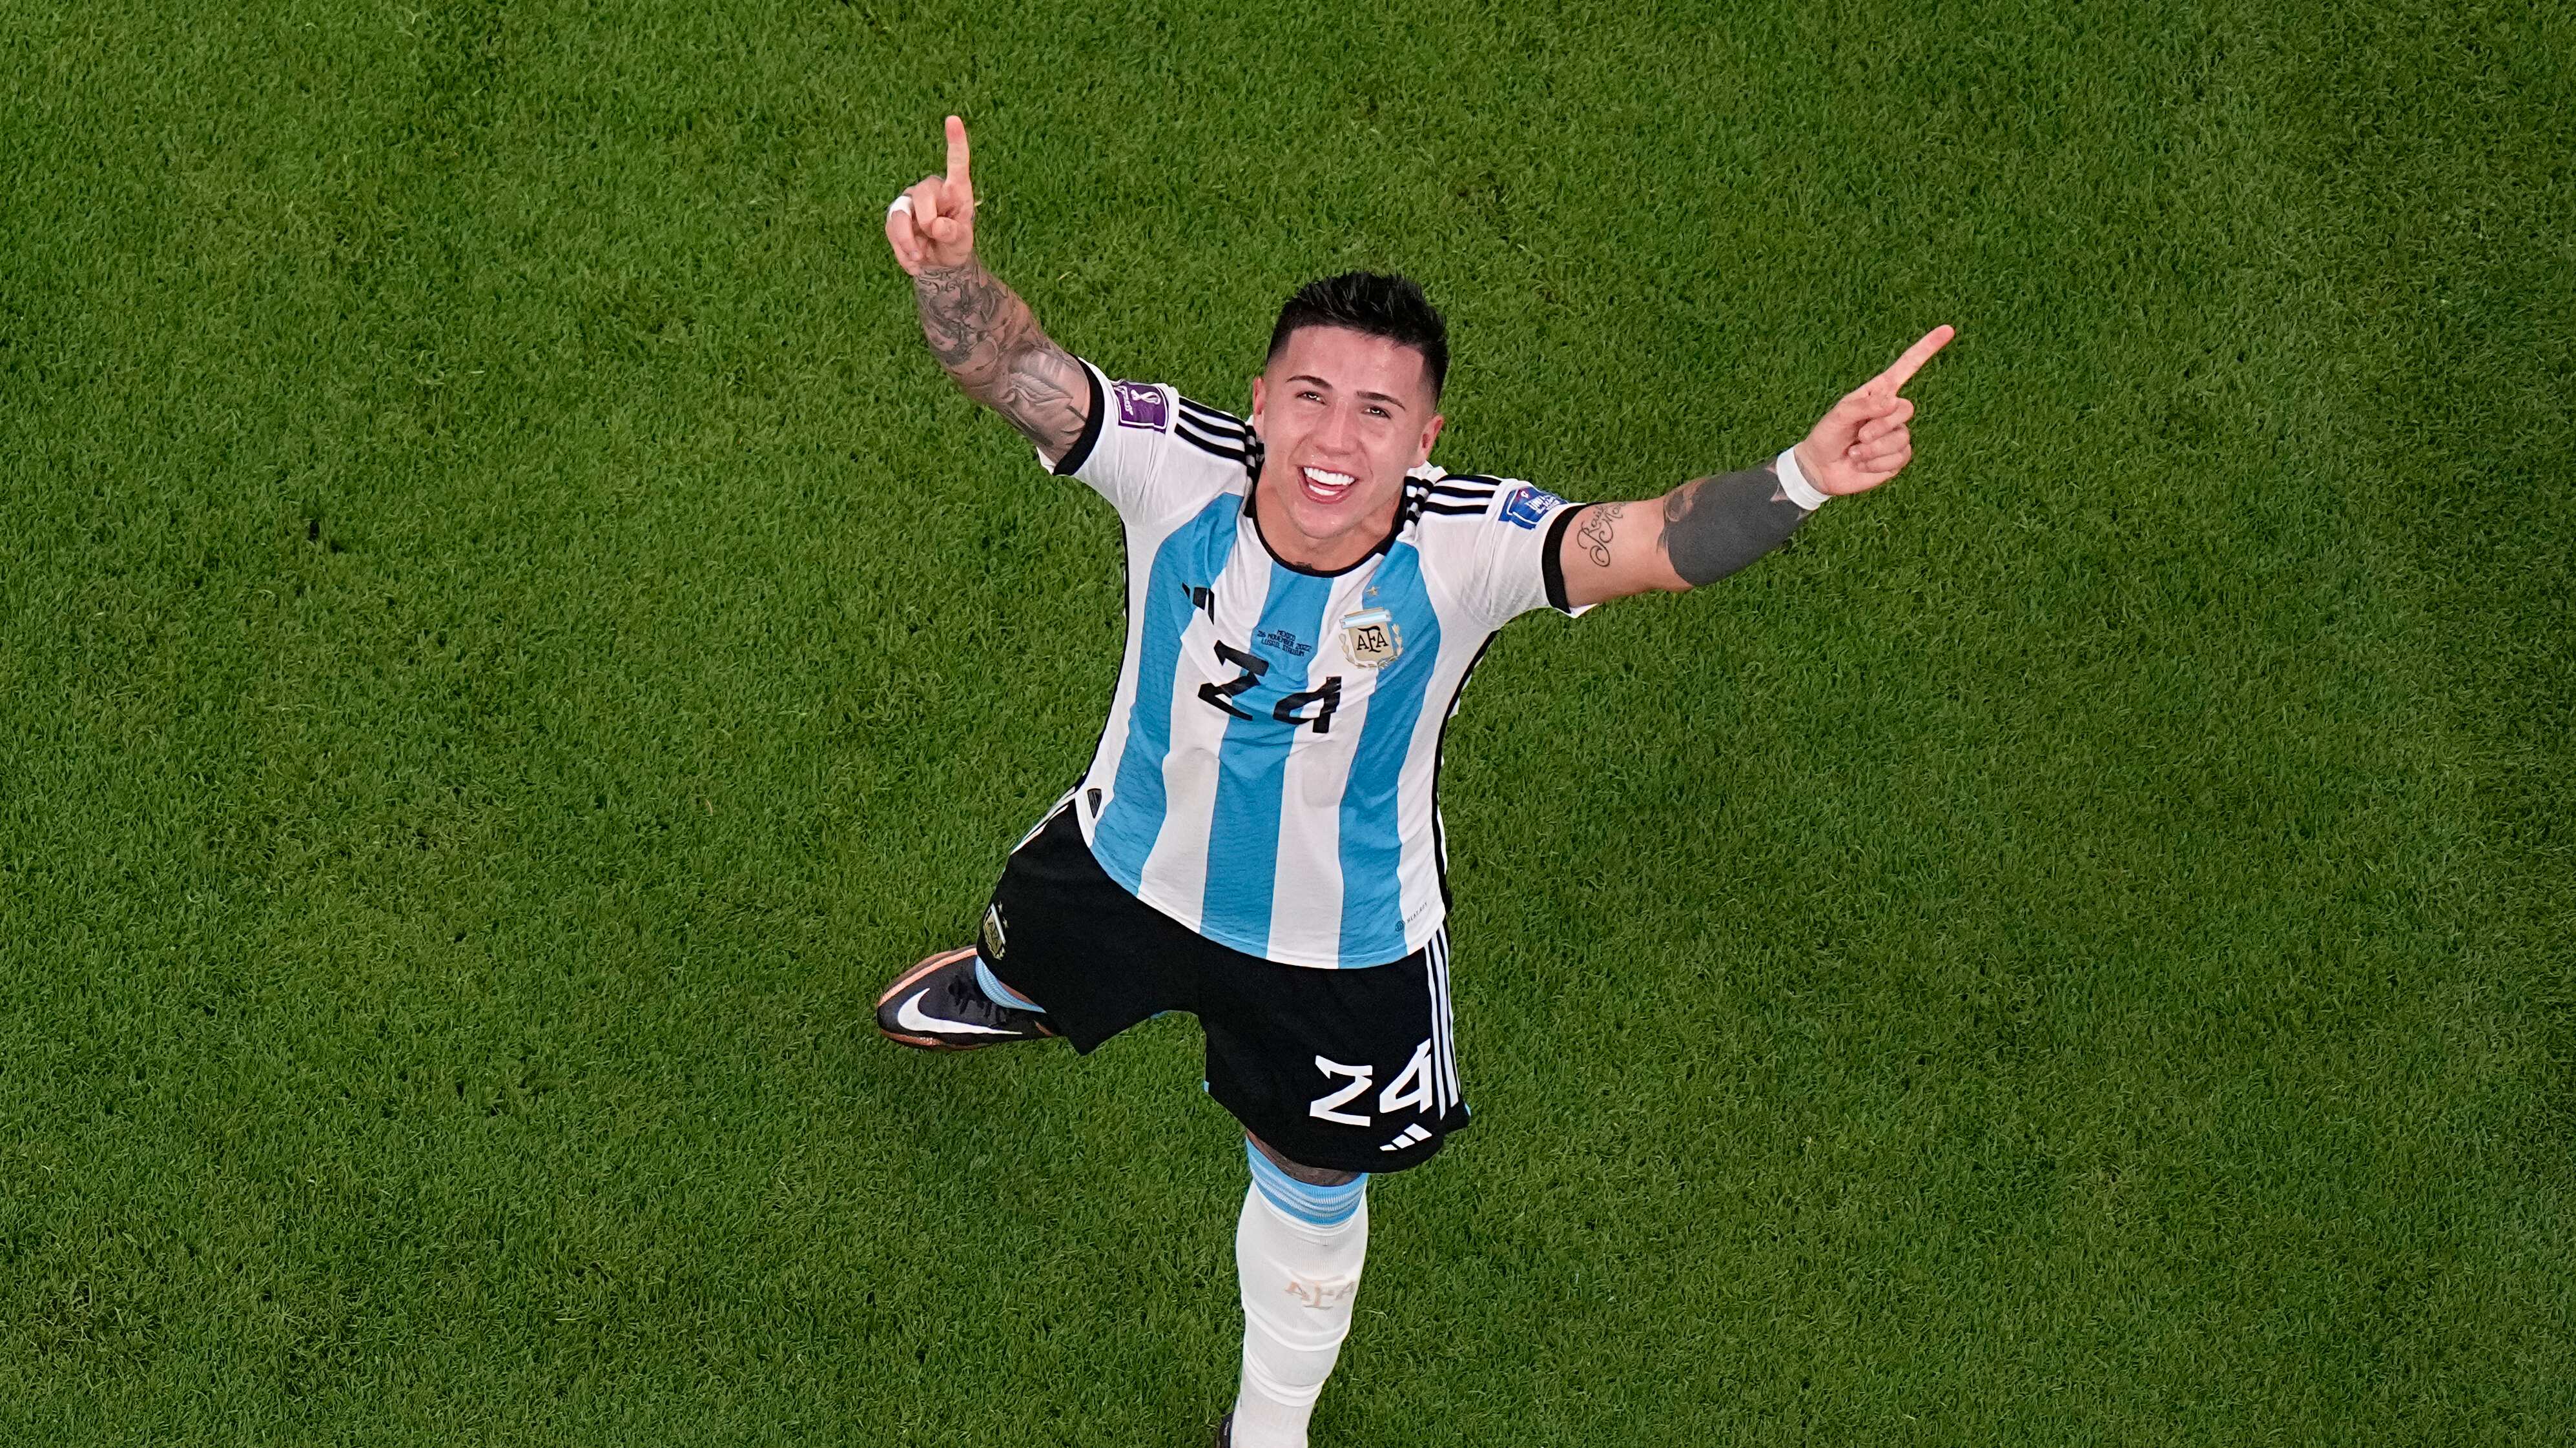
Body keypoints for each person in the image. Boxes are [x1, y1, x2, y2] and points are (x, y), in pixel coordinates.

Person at [875, 116, 1952, 1447]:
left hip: (1342, 954)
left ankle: (1267, 1432)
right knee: (1021, 953)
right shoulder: (1175, 465)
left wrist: (1804, 476)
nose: (1335, 437)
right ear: (1260, 402)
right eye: (1310, 397)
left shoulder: (1469, 546)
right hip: (1122, 866)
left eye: (1377, 411)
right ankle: (1015, 998)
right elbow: (1016, 371)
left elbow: (1651, 542)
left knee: (1312, 1182)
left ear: (1425, 435)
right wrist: (950, 272)